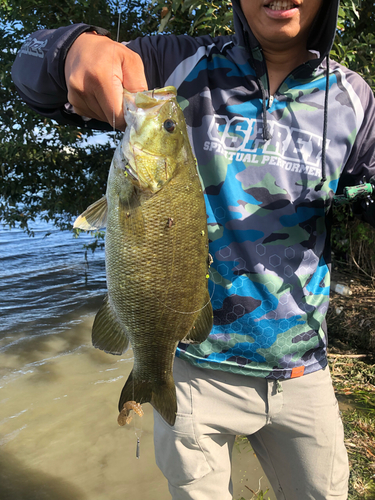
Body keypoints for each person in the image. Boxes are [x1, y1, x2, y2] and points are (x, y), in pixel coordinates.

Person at [12, 1, 375, 498]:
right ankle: (150, 374)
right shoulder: (172, 66)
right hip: (192, 372)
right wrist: (70, 49)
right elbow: (28, 72)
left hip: (302, 371)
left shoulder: (354, 98)